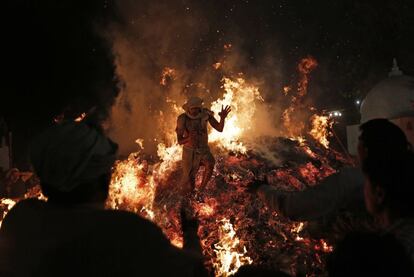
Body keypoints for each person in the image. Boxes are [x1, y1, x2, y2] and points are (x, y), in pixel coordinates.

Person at [0, 122, 208, 277]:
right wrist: (190, 233)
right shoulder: (128, 232)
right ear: (103, 179)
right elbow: (194, 271)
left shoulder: (20, 220)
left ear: (45, 181)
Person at [252, 119, 411, 222]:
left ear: (365, 151)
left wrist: (261, 189)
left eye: (359, 145)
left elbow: (293, 207)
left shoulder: (352, 180)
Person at [176, 96, 231, 194]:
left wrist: (222, 118)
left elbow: (219, 128)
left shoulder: (205, 115)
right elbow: (180, 141)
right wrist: (189, 138)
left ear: (200, 108)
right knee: (189, 178)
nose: (195, 111)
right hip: (189, 152)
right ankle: (191, 193)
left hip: (203, 150)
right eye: (193, 108)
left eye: (197, 108)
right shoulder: (182, 119)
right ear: (188, 108)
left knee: (210, 164)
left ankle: (200, 191)